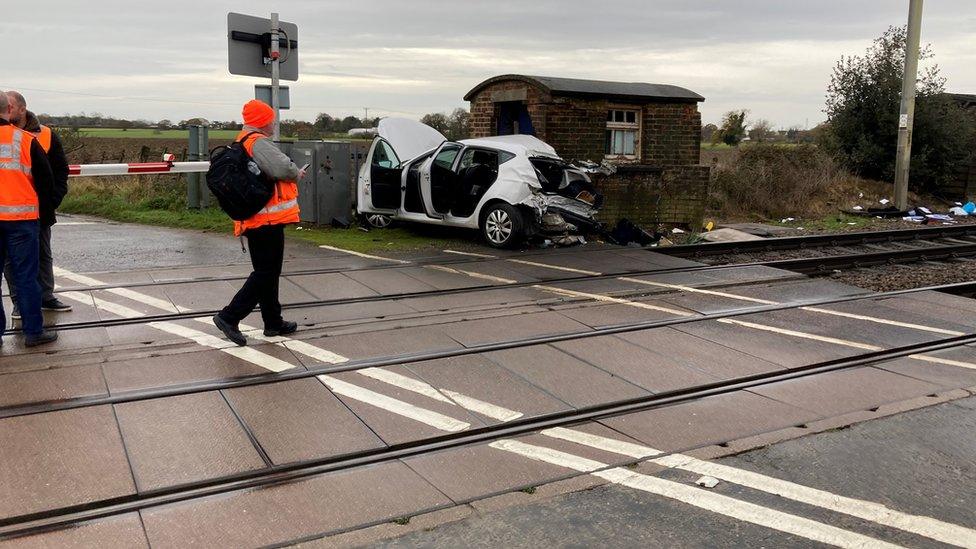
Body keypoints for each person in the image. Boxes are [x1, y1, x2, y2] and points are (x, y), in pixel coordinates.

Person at [212, 100, 304, 346]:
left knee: (267, 272)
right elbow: (283, 168)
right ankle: (229, 316)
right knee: (266, 272)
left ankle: (273, 322)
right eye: (271, 119)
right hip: (267, 219)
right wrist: (296, 172)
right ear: (263, 120)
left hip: (254, 218)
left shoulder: (241, 141)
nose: (273, 123)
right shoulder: (258, 142)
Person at [4, 91, 71, 319]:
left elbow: (60, 171)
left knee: (43, 254)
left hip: (38, 210)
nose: (6, 110)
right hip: (10, 213)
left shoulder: (46, 135)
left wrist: (52, 201)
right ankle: (19, 303)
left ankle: (46, 296)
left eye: (10, 106)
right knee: (12, 262)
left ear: (22, 109)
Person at [0, 90, 58, 347]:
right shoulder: (25, 140)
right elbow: (47, 184)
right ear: (8, 109)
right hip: (22, 221)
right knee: (27, 277)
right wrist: (44, 216)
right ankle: (33, 332)